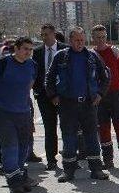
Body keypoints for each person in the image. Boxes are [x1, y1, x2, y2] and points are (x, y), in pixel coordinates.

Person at [46, 26, 110, 183]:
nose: (80, 43)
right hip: (67, 104)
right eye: (76, 40)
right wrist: (53, 95)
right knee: (69, 137)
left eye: (82, 40)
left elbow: (106, 77)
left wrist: (100, 94)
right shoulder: (61, 56)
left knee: (92, 137)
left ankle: (96, 169)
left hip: (88, 104)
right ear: (70, 40)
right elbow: (49, 77)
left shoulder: (92, 56)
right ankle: (68, 171)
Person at [0, 37, 38, 193]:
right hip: (4, 114)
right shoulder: (1, 64)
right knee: (10, 148)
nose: (28, 52)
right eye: (25, 49)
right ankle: (14, 182)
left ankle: (19, 176)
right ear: (16, 48)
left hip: (23, 113)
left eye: (30, 49)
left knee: (24, 148)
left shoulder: (32, 65)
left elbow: (30, 81)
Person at [91, 24, 119, 172]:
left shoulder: (115, 52)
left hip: (116, 95)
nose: (101, 40)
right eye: (98, 37)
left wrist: (116, 83)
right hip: (99, 98)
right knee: (103, 129)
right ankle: (108, 161)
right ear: (93, 38)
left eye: (103, 37)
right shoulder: (91, 55)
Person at [32, 23, 68, 170]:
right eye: (42, 35)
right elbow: (35, 73)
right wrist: (37, 91)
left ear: (54, 34)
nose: (44, 37)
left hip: (64, 96)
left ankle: (69, 156)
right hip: (44, 96)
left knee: (67, 127)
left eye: (46, 34)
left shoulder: (65, 49)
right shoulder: (38, 52)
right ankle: (51, 159)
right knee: (49, 128)